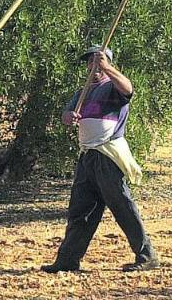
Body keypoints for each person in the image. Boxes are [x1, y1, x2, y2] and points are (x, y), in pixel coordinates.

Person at [41, 46, 159, 273]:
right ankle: (67, 261)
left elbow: (129, 89)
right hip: (87, 157)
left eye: (97, 61)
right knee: (80, 211)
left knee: (122, 206)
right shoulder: (83, 91)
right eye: (90, 62)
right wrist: (68, 117)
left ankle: (147, 256)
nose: (92, 66)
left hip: (108, 155)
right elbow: (66, 116)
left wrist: (107, 67)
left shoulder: (112, 87)